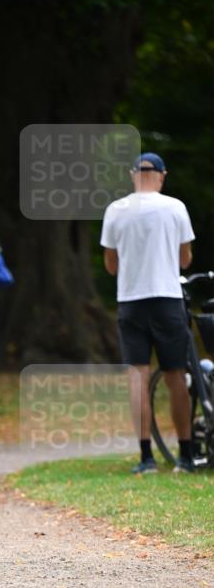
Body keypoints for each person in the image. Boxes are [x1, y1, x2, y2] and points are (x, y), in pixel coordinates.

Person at [101, 152, 196, 474]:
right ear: (161, 175)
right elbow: (185, 260)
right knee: (175, 376)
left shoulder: (115, 210)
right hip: (167, 299)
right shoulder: (175, 207)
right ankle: (185, 454)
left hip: (131, 300)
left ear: (133, 175)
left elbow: (111, 264)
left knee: (138, 377)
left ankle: (146, 457)